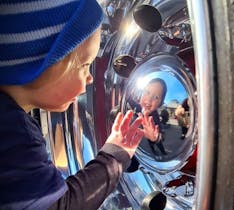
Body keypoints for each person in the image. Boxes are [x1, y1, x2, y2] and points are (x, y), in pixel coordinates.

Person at [0, 1, 145, 209]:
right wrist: (115, 156)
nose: (90, 79)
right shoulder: (15, 137)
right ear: (46, 66)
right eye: (85, 66)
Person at [129, 78, 168, 156]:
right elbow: (129, 99)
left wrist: (156, 138)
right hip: (134, 148)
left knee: (155, 142)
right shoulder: (137, 106)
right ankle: (153, 150)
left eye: (156, 97)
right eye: (147, 92)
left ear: (160, 104)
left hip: (150, 137)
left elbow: (160, 131)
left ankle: (162, 151)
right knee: (150, 144)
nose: (149, 100)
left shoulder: (155, 116)